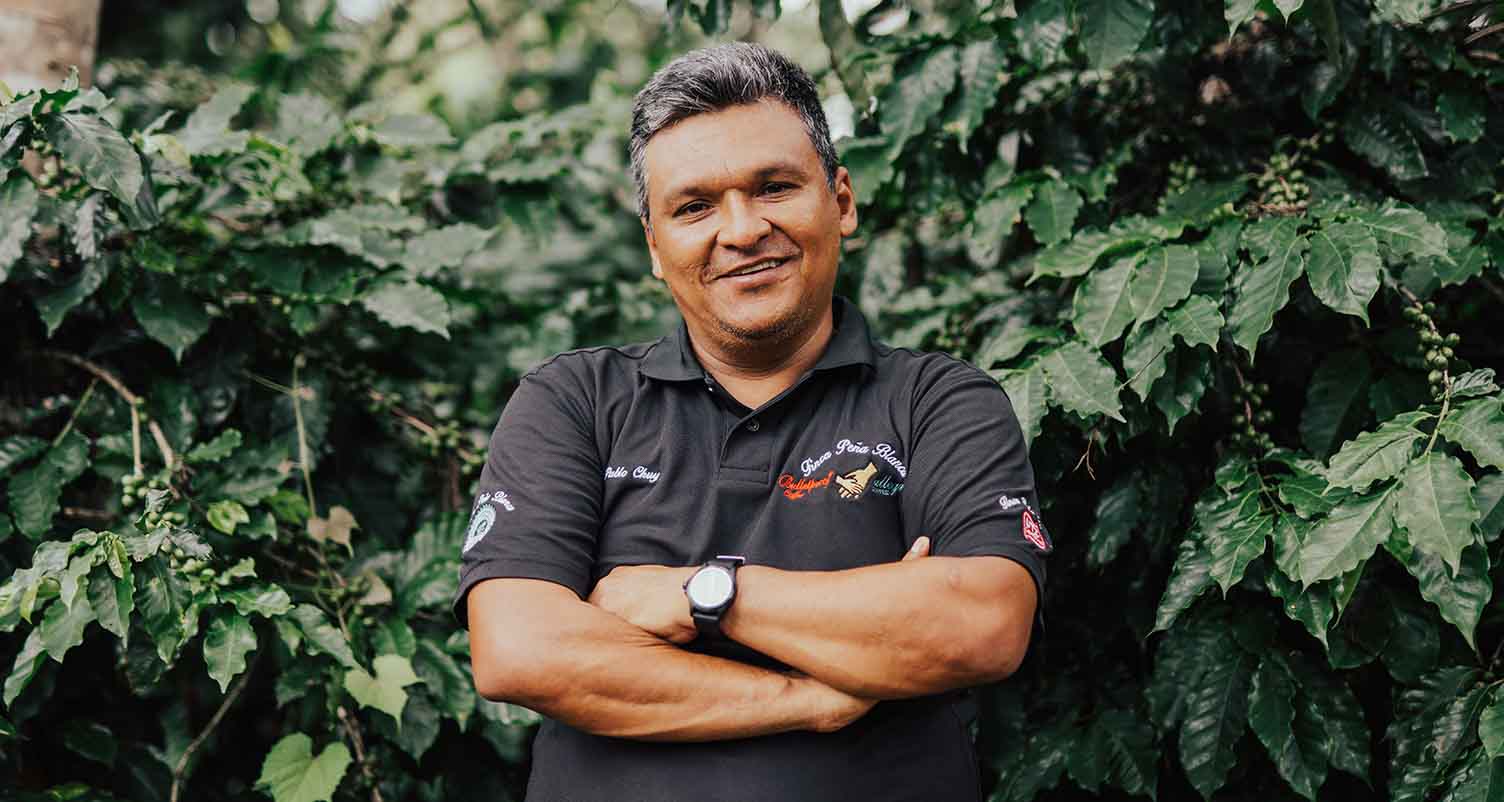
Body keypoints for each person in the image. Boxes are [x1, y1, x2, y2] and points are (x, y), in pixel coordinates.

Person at [454, 42, 1052, 802]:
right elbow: (521, 650)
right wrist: (815, 697)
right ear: (654, 246)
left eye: (773, 187)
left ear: (840, 201)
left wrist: (700, 596)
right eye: (694, 206)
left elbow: (981, 625)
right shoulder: (573, 402)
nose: (741, 230)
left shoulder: (940, 402)